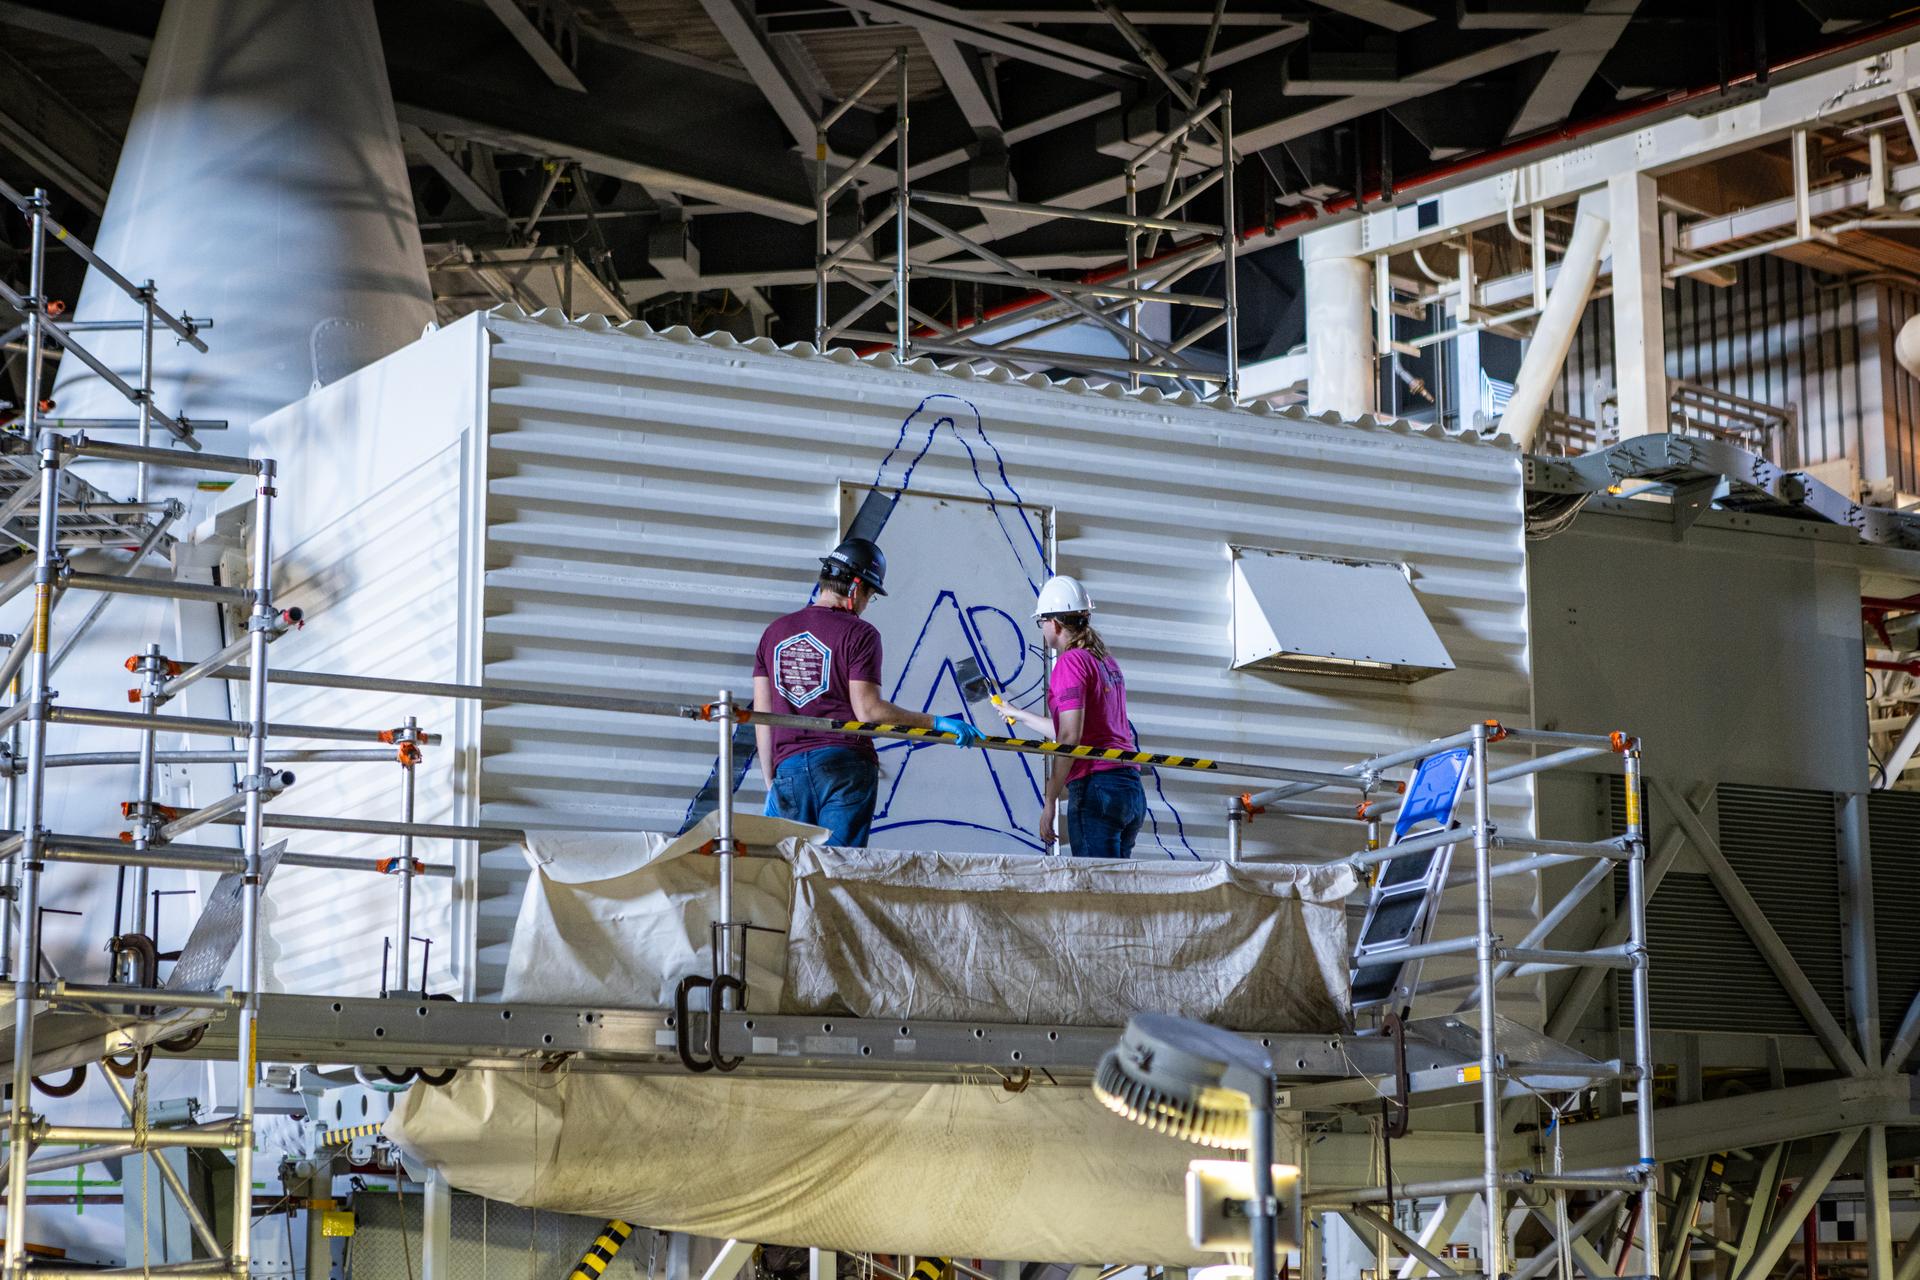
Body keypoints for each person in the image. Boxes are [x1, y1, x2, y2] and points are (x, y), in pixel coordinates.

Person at [753, 536, 981, 847]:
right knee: (839, 873)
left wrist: (772, 780)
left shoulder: (774, 633)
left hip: (788, 769)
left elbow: (764, 717)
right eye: (870, 596)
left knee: (787, 874)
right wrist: (936, 723)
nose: (864, 606)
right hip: (844, 767)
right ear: (856, 587)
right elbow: (869, 711)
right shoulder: (859, 633)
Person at [996, 574, 1146, 858]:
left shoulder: (1070, 662)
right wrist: (1018, 714)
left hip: (1096, 787)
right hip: (1129, 790)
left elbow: (1069, 737)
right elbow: (1078, 730)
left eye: (1041, 622)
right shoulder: (1104, 661)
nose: (1042, 628)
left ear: (1053, 623)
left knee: (1095, 892)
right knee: (1118, 892)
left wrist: (1050, 799)